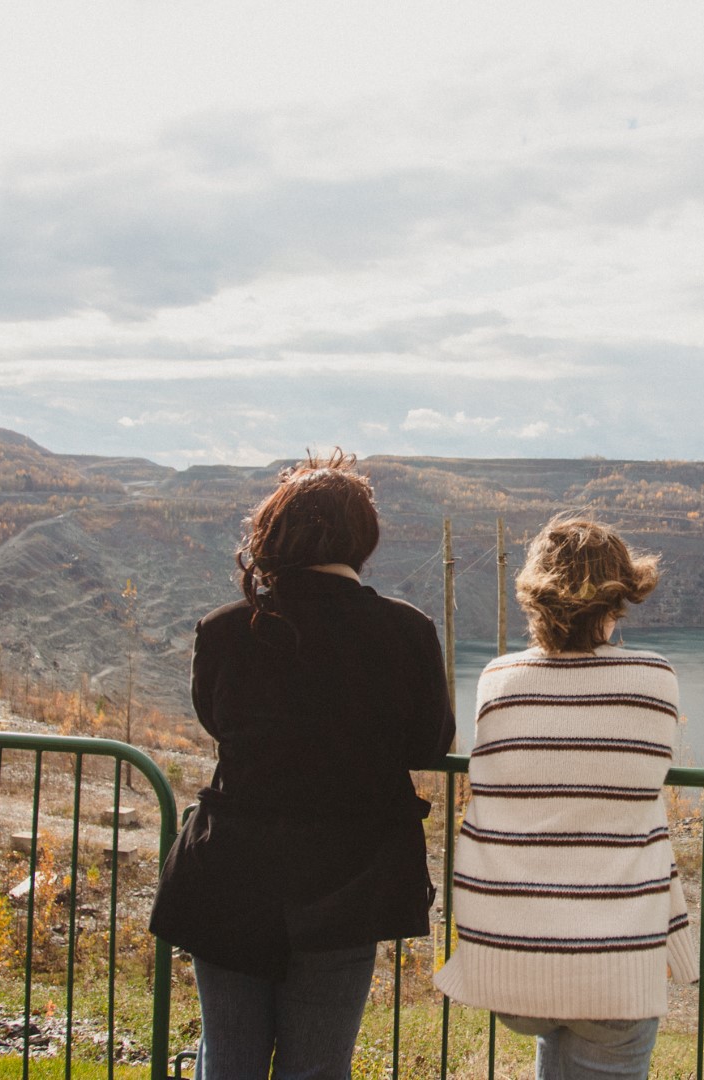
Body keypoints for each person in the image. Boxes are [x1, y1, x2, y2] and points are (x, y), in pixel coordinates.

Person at [150, 451, 455, 1080]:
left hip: (229, 875)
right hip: (349, 881)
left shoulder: (224, 629)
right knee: (318, 1067)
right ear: (364, 537)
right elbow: (428, 746)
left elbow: (218, 723)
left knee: (227, 1062)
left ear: (274, 533)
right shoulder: (406, 631)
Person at [434, 515, 699, 1079]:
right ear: (617, 599)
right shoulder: (655, 679)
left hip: (509, 953)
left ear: (537, 602)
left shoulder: (498, 679)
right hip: (612, 965)